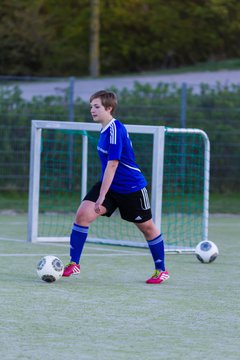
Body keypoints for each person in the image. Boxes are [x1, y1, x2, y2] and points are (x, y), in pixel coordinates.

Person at [63, 90, 169, 284]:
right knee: (82, 215)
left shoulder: (114, 129)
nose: (92, 110)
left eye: (96, 106)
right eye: (91, 106)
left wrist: (102, 195)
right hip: (110, 185)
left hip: (131, 188)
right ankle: (74, 263)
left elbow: (113, 164)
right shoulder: (104, 129)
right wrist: (104, 191)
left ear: (109, 108)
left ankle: (161, 270)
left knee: (147, 228)